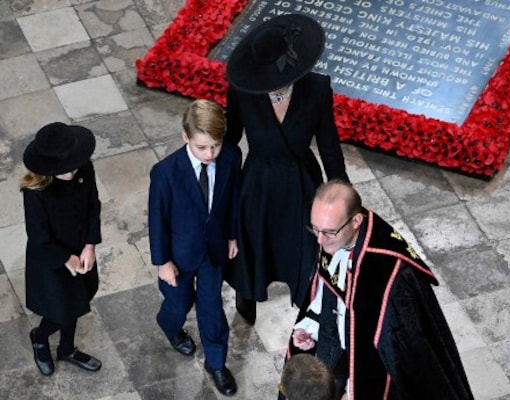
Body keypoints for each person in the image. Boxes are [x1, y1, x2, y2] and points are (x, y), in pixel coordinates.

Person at [285, 180, 475, 400]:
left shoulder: (391, 273)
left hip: (380, 373)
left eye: (327, 232)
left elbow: (404, 351)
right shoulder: (334, 237)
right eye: (315, 229)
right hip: (342, 349)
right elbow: (328, 291)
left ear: (356, 220)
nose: (319, 239)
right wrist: (312, 327)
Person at [225, 13, 349, 325]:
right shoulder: (243, 90)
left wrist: (344, 196)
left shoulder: (317, 88)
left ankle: (308, 310)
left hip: (301, 184)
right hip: (258, 185)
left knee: (307, 251)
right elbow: (231, 138)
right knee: (253, 249)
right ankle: (247, 301)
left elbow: (329, 146)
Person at [148, 99, 241, 396]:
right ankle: (169, 324)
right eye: (202, 147)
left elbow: (233, 201)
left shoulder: (231, 158)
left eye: (215, 145)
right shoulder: (165, 172)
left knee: (211, 306)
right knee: (179, 302)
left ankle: (216, 363)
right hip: (179, 254)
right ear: (185, 137)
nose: (210, 154)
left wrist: (232, 236)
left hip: (213, 251)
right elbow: (157, 220)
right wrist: (163, 262)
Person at [21, 122, 103, 376]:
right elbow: (38, 237)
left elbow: (93, 207)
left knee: (78, 301)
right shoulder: (35, 192)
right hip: (52, 259)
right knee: (61, 309)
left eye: (74, 164)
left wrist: (90, 246)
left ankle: (66, 348)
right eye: (64, 169)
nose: (71, 171)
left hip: (81, 249)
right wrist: (67, 259)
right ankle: (40, 336)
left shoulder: (84, 169)